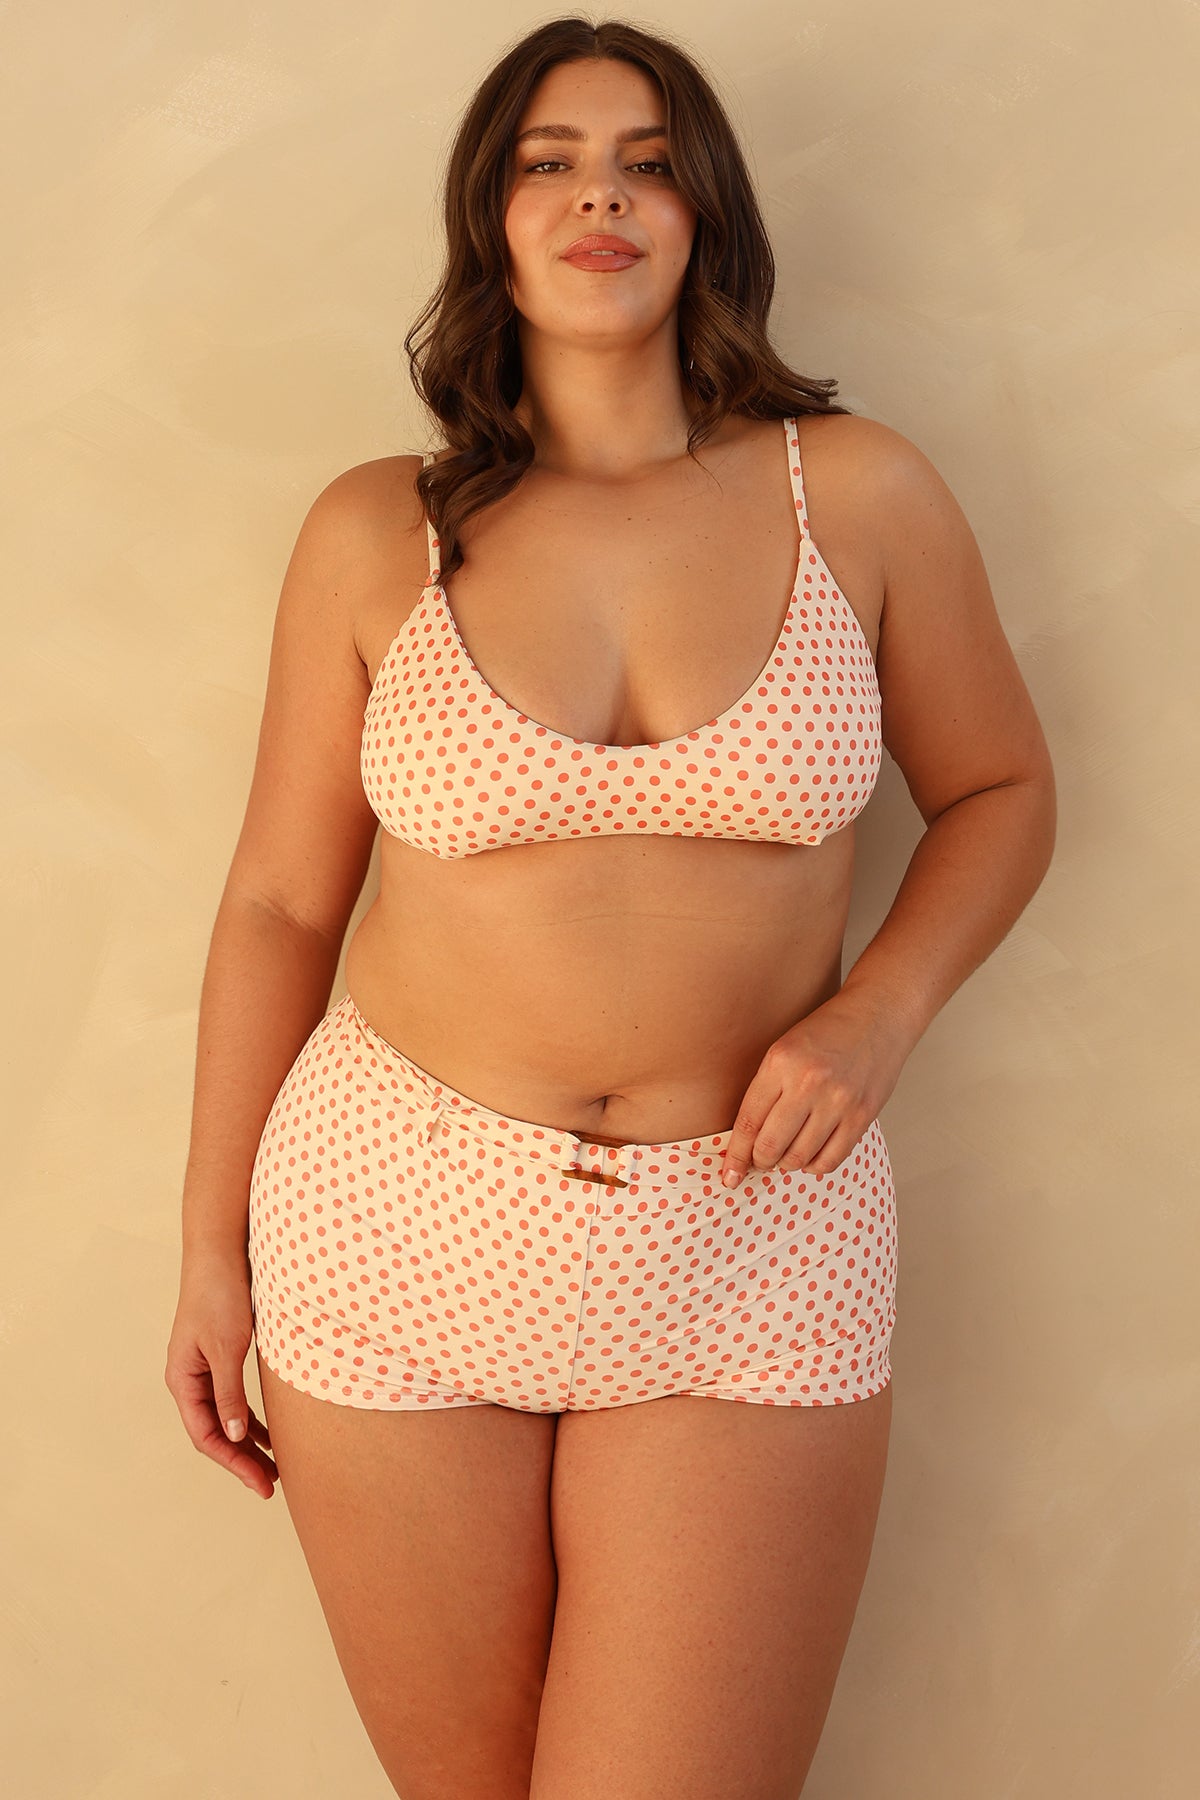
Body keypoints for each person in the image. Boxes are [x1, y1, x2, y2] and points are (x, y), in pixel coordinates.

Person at [165, 16, 1055, 1798]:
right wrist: (207, 1248)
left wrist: (873, 1017)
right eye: (547, 163)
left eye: (648, 163)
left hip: (755, 1240)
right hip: (391, 1229)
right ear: (488, 220)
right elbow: (275, 903)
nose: (601, 198)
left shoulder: (857, 492)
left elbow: (1003, 793)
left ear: (706, 213)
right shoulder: (376, 532)